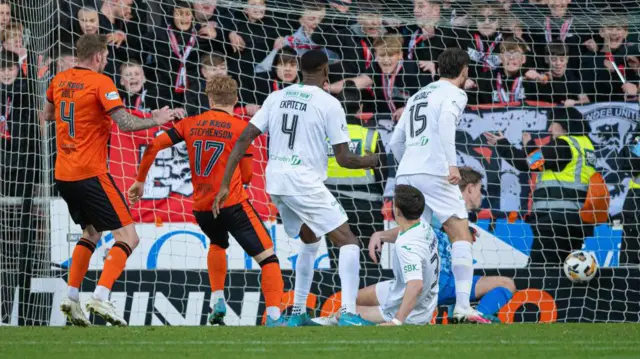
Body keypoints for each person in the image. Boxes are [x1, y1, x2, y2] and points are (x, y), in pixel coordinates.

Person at [213, 49, 379, 327]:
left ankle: (298, 312)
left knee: (311, 239)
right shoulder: (328, 103)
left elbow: (243, 139)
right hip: (302, 181)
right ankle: (350, 313)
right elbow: (345, 159)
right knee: (348, 241)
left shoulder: (276, 97)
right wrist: (377, 160)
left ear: (301, 70)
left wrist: (224, 184)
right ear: (326, 71)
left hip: (276, 180)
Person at [43, 34, 180, 326]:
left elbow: (47, 115)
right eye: (105, 57)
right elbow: (126, 124)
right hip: (90, 173)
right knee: (129, 237)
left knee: (91, 233)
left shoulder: (60, 80)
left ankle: (71, 297)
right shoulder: (101, 82)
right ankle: (101, 297)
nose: (106, 61)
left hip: (63, 174)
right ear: (97, 57)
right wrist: (155, 120)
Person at [128, 75, 285, 327]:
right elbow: (247, 175)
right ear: (235, 99)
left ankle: (217, 300)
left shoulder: (190, 123)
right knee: (268, 259)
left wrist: (139, 181)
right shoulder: (240, 128)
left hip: (201, 207)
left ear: (209, 97)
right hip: (233, 204)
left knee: (217, 243)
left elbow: (153, 146)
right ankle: (276, 318)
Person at [386, 48, 490, 324]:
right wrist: (452, 165)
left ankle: (412, 309)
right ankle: (463, 306)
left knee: (418, 238)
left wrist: (408, 166)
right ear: (464, 69)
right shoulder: (456, 93)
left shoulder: (418, 95)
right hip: (434, 171)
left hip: (407, 172)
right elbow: (446, 122)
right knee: (460, 234)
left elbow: (395, 143)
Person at [484, 107, 597, 266]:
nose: (550, 129)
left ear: (565, 123)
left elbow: (528, 163)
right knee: (562, 270)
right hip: (575, 221)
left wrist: (502, 144)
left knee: (540, 271)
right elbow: (543, 162)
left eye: (553, 123)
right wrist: (529, 144)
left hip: (556, 221)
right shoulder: (586, 145)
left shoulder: (564, 144)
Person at [315, 184, 439, 326]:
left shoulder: (406, 246)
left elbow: (416, 285)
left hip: (414, 312)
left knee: (343, 314)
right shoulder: (423, 225)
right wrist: (379, 235)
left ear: (397, 211)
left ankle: (328, 322)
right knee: (351, 299)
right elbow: (401, 232)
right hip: (403, 290)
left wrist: (397, 321)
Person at [431, 167, 516, 323]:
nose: (481, 195)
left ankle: (465, 318)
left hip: (439, 283)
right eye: (479, 189)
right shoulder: (445, 211)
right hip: (436, 283)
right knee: (506, 283)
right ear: (470, 189)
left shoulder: (454, 213)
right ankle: (477, 316)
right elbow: (430, 221)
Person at [325, 82, 387, 272]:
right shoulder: (371, 135)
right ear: (360, 107)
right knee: (371, 259)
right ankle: (370, 299)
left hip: (333, 208)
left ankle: (341, 300)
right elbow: (383, 172)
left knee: (339, 262)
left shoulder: (325, 136)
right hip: (366, 208)